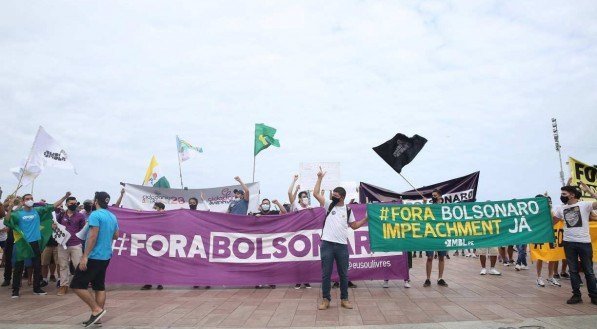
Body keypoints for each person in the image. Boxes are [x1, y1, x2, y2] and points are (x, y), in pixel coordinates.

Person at [313, 167, 369, 310]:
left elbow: (354, 225)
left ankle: (344, 299)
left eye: (336, 195)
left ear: (342, 197)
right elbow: (315, 193)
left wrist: (366, 219)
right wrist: (319, 178)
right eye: (333, 194)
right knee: (326, 274)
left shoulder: (348, 210)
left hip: (342, 246)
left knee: (344, 274)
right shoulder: (328, 205)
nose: (333, 196)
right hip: (327, 245)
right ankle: (326, 299)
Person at [6, 192, 71, 298]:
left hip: (35, 242)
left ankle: (37, 288)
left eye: (31, 198)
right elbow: (7, 221)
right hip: (22, 243)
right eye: (27, 199)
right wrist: (9, 209)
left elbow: (52, 206)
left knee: (37, 266)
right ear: (23, 202)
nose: (29, 200)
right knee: (18, 267)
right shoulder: (18, 213)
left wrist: (65, 197)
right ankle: (15, 290)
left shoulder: (37, 211)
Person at [70, 192, 119, 327]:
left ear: (96, 201)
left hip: (94, 256)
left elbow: (92, 236)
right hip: (106, 255)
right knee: (99, 286)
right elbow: (116, 235)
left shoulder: (95, 215)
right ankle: (97, 318)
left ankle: (96, 310)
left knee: (76, 285)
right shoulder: (112, 216)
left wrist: (85, 256)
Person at [552, 183, 597, 305]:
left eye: (564, 194)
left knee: (588, 271)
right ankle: (576, 295)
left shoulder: (584, 205)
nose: (561, 196)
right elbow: (552, 222)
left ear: (572, 195)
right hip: (569, 243)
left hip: (584, 243)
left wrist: (589, 191)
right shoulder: (562, 208)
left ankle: (594, 296)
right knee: (573, 271)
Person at [54, 196, 86, 296]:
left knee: (78, 265)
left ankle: (80, 285)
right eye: (71, 203)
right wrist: (53, 226)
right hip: (62, 244)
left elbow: (83, 230)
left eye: (75, 203)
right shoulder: (61, 215)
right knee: (63, 266)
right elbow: (56, 226)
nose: (73, 205)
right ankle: (64, 286)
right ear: (67, 204)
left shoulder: (80, 216)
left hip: (75, 244)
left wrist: (79, 239)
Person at [424, 189, 448, 287]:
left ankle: (440, 278)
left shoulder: (445, 208)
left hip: (441, 235)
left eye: (435, 195)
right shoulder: (429, 207)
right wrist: (424, 204)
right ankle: (428, 279)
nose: (433, 197)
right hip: (430, 235)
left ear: (440, 197)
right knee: (430, 257)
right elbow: (423, 215)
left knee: (441, 257)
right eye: (432, 195)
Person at [141, 202, 165, 290]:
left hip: (161, 242)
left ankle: (159, 283)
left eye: (155, 208)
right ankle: (148, 282)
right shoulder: (152, 216)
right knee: (148, 263)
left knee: (159, 264)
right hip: (151, 242)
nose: (154, 209)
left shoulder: (166, 215)